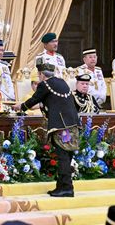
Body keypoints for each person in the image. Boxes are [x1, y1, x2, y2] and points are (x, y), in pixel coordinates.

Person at [14, 59, 80, 198]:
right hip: (72, 124)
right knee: (67, 155)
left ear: (42, 75)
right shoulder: (62, 82)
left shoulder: (44, 84)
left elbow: (35, 99)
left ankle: (67, 188)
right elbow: (55, 102)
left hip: (61, 126)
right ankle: (61, 186)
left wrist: (21, 107)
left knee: (62, 156)